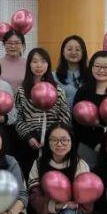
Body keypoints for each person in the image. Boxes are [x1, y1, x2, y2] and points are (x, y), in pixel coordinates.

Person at [13, 48, 70, 179]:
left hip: (54, 143)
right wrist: (29, 136)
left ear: (48, 64)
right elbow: (17, 118)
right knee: (31, 177)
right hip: (29, 143)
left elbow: (65, 116)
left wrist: (53, 136)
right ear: (29, 65)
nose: (39, 65)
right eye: (34, 61)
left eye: (43, 61)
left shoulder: (57, 90)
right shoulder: (21, 91)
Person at [54, 35, 90, 108]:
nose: (73, 53)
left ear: (83, 53)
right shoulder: (54, 76)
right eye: (69, 49)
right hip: (62, 114)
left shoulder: (90, 75)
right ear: (63, 52)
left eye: (77, 49)